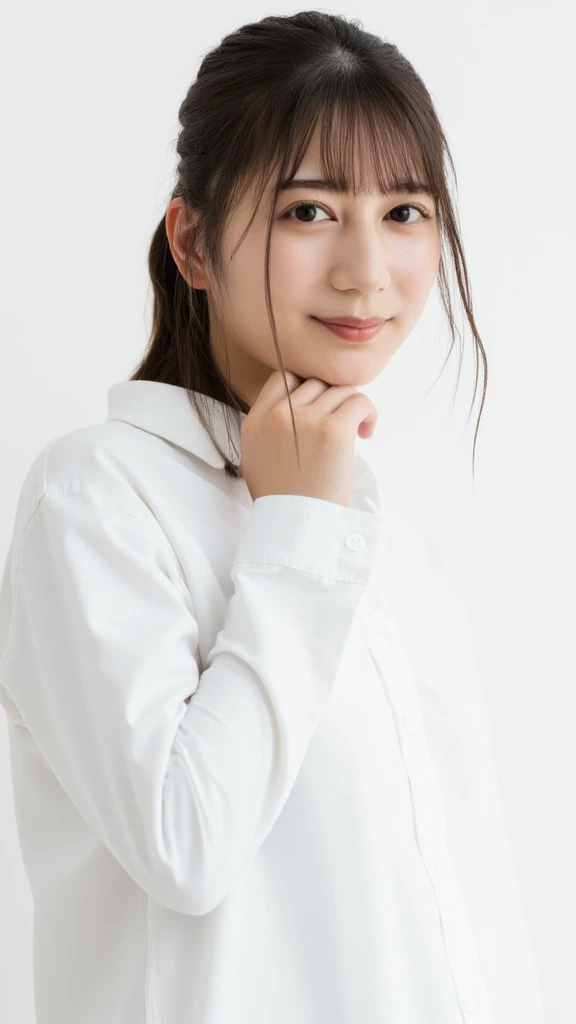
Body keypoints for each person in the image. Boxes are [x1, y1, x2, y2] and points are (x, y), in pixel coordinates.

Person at [0, 11, 546, 1024]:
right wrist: (292, 524)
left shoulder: (400, 551)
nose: (366, 270)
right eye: (307, 211)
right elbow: (185, 843)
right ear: (195, 242)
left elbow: (468, 925)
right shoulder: (97, 498)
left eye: (406, 212)